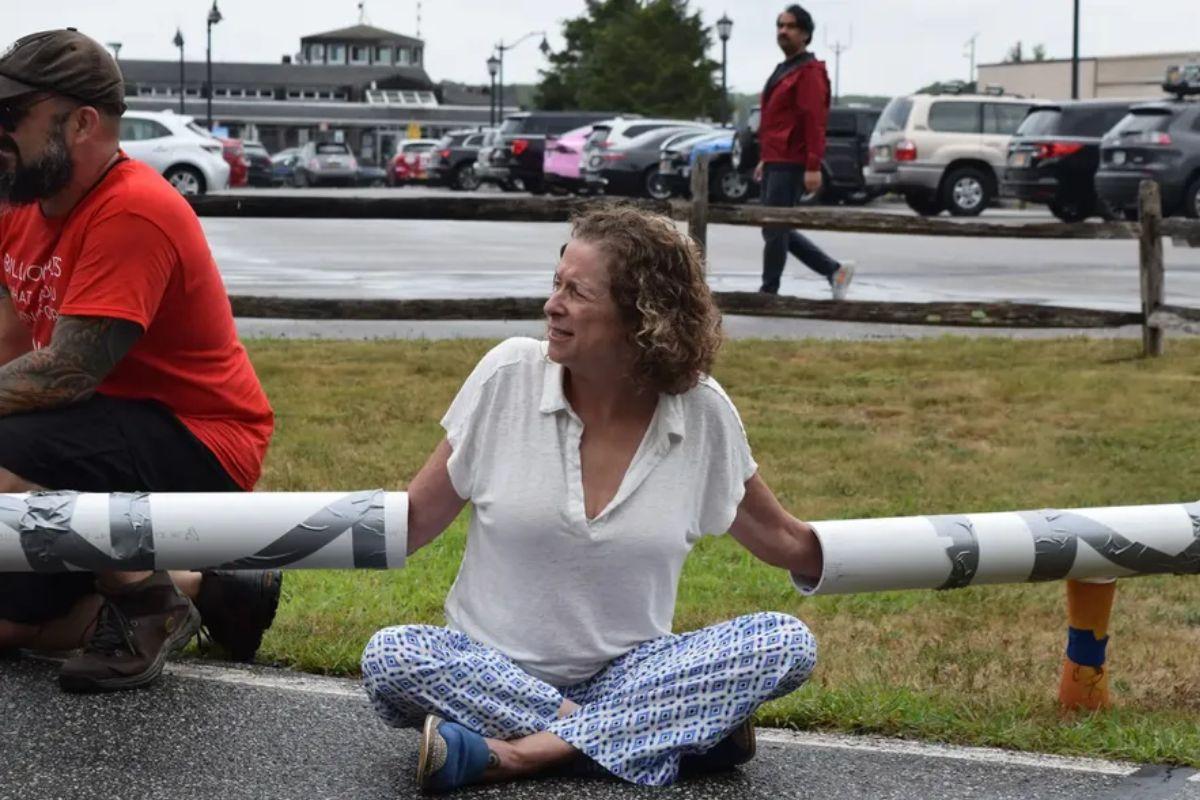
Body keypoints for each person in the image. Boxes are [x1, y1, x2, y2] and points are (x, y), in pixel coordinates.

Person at [361, 207, 824, 790]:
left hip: (631, 674)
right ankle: (664, 736)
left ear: (641, 318)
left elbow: (784, 539)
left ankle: (520, 755)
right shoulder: (506, 375)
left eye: (576, 292)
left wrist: (948, 551)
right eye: (556, 283)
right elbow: (414, 518)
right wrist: (248, 536)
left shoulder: (703, 412)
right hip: (488, 667)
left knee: (782, 643)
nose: (552, 305)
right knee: (394, 655)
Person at [0, 29, 280, 692]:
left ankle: (142, 599)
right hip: (95, 430)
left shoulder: (135, 210)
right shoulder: (17, 205)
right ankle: (204, 586)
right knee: (5, 625)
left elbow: (66, 371)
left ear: (82, 122)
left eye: (11, 117)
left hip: (202, 442)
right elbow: (13, 348)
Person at [755, 4, 856, 299]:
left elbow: (814, 121)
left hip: (792, 160)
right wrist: (765, 157)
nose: (782, 31)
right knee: (774, 227)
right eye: (780, 26)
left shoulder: (809, 72)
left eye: (790, 26)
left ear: (805, 34)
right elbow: (776, 119)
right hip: (775, 157)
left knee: (776, 227)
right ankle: (834, 270)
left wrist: (813, 165)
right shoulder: (783, 69)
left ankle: (768, 292)